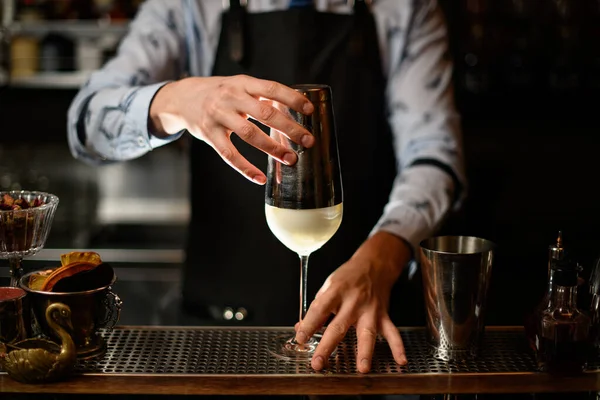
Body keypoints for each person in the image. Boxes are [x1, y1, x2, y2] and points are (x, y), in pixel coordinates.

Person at [67, 0, 466, 374]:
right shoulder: (190, 7)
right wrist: (174, 101)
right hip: (218, 339)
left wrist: (385, 254)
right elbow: (85, 125)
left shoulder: (405, 8)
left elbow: (435, 157)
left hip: (362, 336)